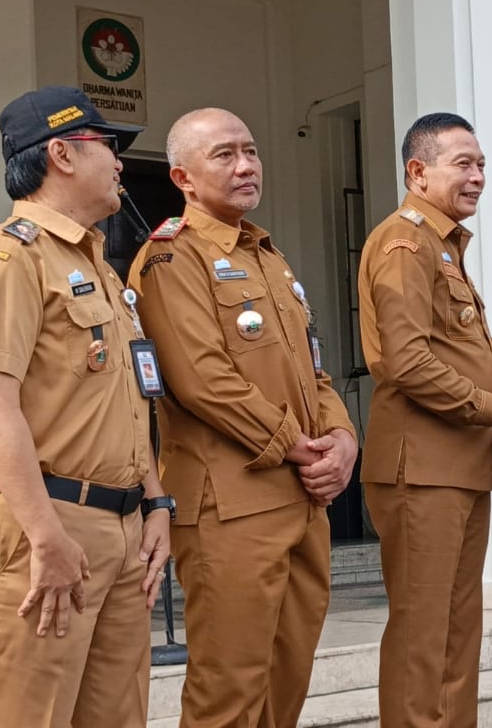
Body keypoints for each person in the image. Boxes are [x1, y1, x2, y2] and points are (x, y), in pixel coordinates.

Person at [127, 108, 357, 728]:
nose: (246, 165)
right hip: (231, 506)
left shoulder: (269, 257)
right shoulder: (170, 259)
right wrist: (300, 446)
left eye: (250, 150)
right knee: (228, 690)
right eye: (223, 155)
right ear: (182, 176)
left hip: (302, 498)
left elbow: (315, 371)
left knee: (288, 681)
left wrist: (342, 439)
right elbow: (202, 381)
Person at [0, 85, 173, 727]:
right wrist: (44, 535)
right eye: (108, 146)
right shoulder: (9, 258)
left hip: (122, 531)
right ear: (61, 154)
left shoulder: (100, 266)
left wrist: (155, 501)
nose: (119, 164)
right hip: (45, 526)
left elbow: (129, 397)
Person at [358, 112, 492, 726]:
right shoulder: (405, 243)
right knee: (423, 638)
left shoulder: (440, 243)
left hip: (456, 465)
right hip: (420, 469)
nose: (478, 176)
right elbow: (404, 362)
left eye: (482, 164)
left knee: (456, 632)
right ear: (417, 172)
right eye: (463, 164)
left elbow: (439, 345)